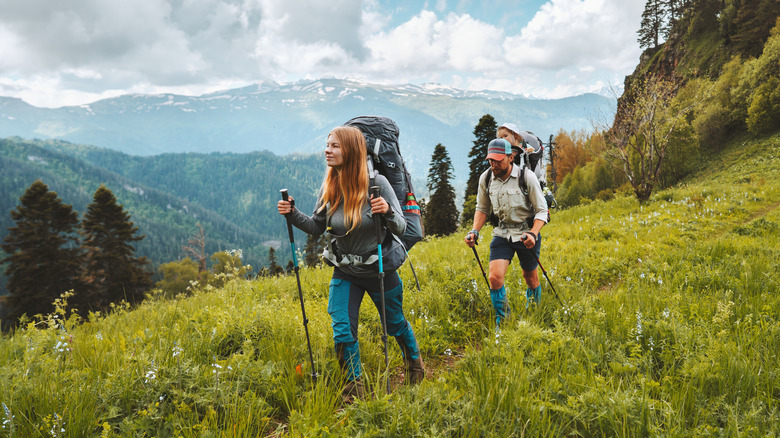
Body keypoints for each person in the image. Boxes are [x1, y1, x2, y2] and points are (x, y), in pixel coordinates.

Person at [277, 125, 424, 402]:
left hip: (379, 270)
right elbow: (316, 226)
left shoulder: (377, 183)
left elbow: (402, 227)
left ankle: (415, 367)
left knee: (394, 325)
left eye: (334, 146)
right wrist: (293, 213)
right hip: (345, 271)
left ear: (351, 151)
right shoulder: (330, 186)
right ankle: (353, 394)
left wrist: (388, 211)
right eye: (327, 144)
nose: (327, 150)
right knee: (343, 329)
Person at [464, 138, 549, 327]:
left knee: (530, 278)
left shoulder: (526, 177)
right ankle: (503, 321)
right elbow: (482, 209)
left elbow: (542, 212)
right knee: (494, 277)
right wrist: (474, 231)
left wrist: (533, 234)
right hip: (502, 233)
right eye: (490, 160)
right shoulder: (486, 179)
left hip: (527, 233)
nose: (493, 164)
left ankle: (534, 314)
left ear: (511, 157)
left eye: (498, 160)